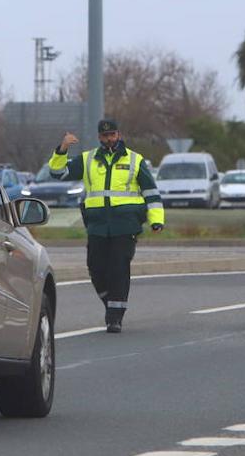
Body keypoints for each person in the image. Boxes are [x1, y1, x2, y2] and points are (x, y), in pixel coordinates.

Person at [47, 118, 164, 332]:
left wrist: (157, 220)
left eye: (112, 135)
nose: (109, 139)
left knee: (119, 269)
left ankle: (114, 318)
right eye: (104, 136)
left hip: (126, 224)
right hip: (98, 225)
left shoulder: (135, 160)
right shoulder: (88, 159)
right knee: (96, 268)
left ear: (118, 135)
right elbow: (57, 173)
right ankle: (112, 303)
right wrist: (62, 149)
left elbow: (151, 193)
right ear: (99, 137)